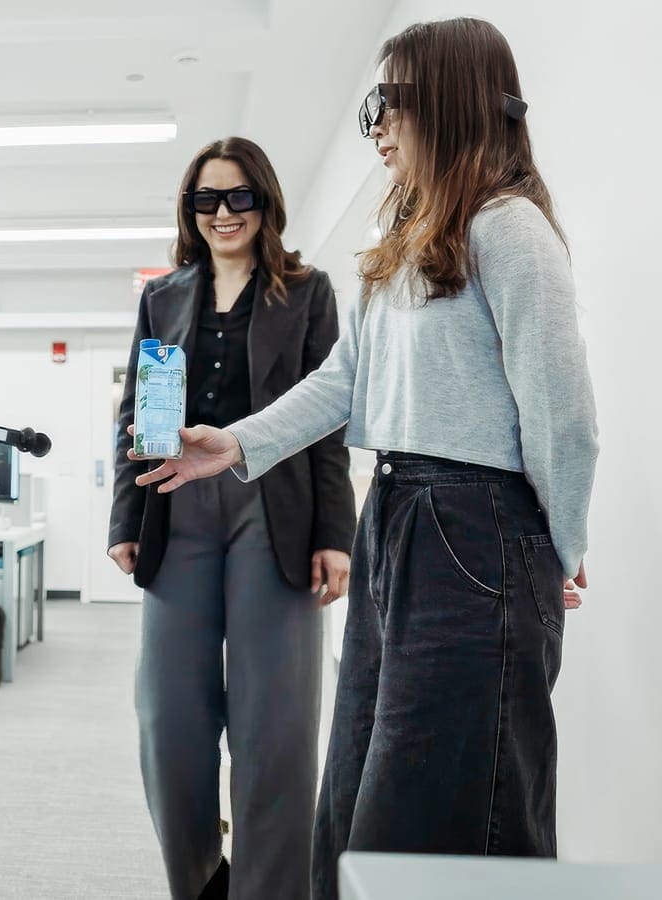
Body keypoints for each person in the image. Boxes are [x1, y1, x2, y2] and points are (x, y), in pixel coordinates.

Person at [130, 19, 597, 900]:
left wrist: (559, 548)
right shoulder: (412, 244)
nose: (376, 126)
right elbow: (344, 382)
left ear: (450, 101)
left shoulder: (510, 232)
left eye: (388, 102)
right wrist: (234, 444)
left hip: (477, 525)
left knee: (449, 801)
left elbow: (562, 414)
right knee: (355, 801)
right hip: (398, 515)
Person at [109, 137, 355, 900]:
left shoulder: (307, 291)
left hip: (275, 508)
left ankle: (269, 889)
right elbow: (133, 410)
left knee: (274, 726)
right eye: (207, 199)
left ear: (265, 202)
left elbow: (329, 420)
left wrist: (335, 535)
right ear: (190, 210)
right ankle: (201, 880)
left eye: (239, 196)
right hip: (176, 505)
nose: (223, 213)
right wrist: (125, 515)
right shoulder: (162, 296)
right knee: (168, 720)